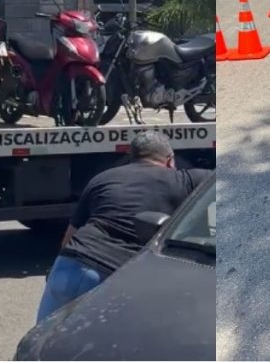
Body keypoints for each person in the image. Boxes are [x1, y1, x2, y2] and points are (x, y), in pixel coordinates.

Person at [36, 130, 212, 322]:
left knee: (41, 344)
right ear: (170, 160)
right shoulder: (184, 180)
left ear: (132, 156)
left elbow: (68, 237)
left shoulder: (102, 178)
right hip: (113, 274)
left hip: (68, 264)